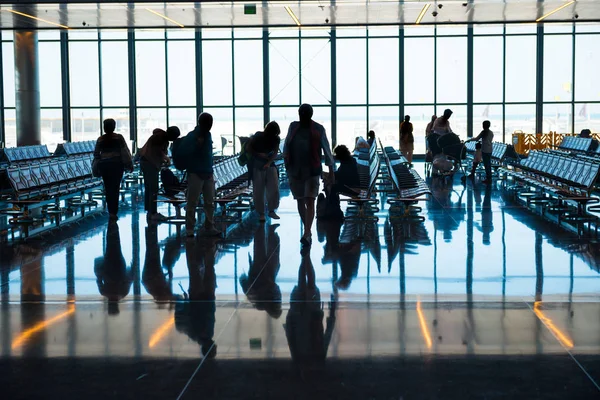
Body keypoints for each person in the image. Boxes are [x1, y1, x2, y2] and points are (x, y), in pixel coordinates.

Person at [283, 104, 335, 246]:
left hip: (311, 171)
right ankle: (307, 230)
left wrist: (331, 172)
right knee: (301, 200)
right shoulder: (293, 127)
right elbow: (286, 145)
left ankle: (306, 232)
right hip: (295, 171)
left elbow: (326, 150)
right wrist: (287, 165)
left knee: (309, 200)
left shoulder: (317, 129)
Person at [184, 113, 220, 238]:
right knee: (192, 202)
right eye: (208, 123)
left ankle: (209, 226)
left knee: (210, 202)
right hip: (195, 173)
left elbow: (207, 155)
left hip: (208, 173)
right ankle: (189, 228)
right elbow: (190, 154)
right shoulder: (193, 136)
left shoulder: (208, 135)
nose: (210, 126)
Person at [93, 118, 133, 221]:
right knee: (115, 188)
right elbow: (125, 151)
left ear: (104, 127)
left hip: (104, 166)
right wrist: (129, 164)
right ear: (114, 127)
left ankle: (110, 211)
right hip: (116, 165)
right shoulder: (118, 138)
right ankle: (114, 212)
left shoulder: (100, 139)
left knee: (108, 188)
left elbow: (96, 154)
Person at [139, 126, 180, 223]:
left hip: (147, 162)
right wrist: (166, 158)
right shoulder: (160, 137)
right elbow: (158, 151)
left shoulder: (160, 136)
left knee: (150, 188)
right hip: (150, 163)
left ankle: (150, 211)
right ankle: (153, 213)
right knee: (153, 188)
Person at [246, 121, 281, 222]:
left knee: (274, 188)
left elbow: (275, 152)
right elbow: (249, 148)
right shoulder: (258, 136)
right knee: (258, 191)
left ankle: (271, 210)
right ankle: (261, 213)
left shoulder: (275, 139)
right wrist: (259, 154)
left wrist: (268, 163)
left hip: (268, 165)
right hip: (257, 165)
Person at [467, 120, 494, 184]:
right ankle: (489, 178)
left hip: (485, 150)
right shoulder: (491, 132)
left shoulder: (484, 132)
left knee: (486, 165)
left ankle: (488, 179)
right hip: (490, 150)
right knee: (488, 164)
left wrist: (470, 140)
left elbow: (476, 139)